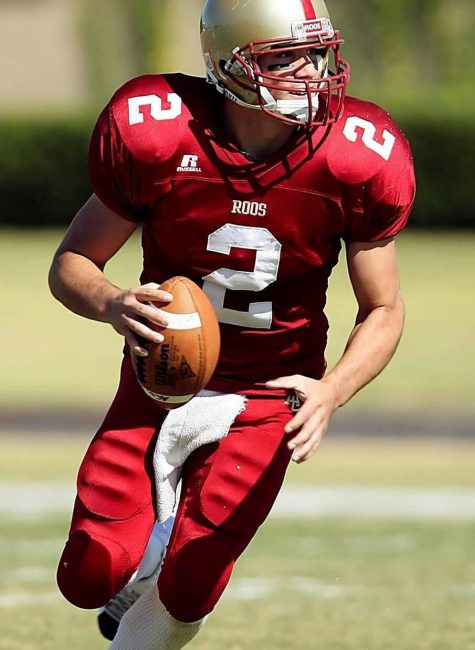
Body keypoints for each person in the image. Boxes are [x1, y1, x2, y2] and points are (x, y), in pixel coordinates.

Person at [49, 0, 415, 648]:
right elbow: (74, 261)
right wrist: (111, 303)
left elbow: (384, 307)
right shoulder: (159, 133)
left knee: (192, 587)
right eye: (284, 57)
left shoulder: (354, 155)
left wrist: (333, 392)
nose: (311, 73)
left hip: (274, 389)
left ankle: (171, 557)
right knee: (88, 575)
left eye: (316, 52)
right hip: (164, 375)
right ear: (231, 65)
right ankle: (154, 544)